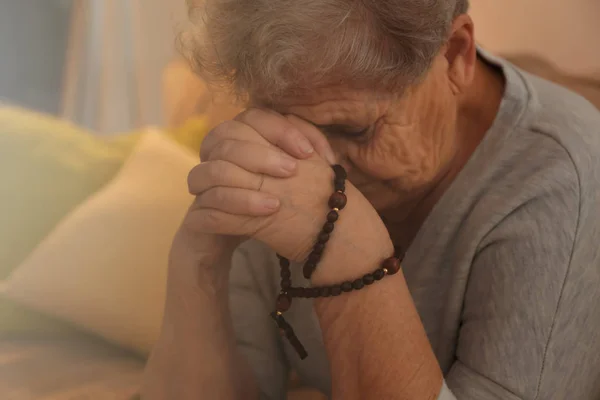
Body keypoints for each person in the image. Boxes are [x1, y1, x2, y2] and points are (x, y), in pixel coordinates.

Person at [142, 0, 600, 399]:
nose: (320, 167)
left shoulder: (561, 177)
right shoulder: (278, 155)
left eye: (355, 130)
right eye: (288, 125)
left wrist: (345, 246)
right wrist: (197, 266)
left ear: (456, 55)